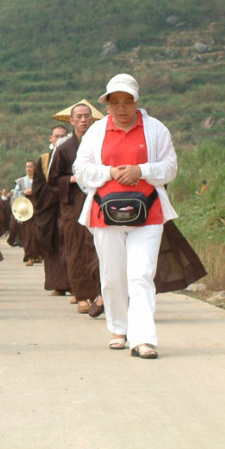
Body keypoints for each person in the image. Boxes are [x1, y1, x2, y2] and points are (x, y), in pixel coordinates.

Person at [74, 73, 178, 359]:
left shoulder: (156, 129)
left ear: (136, 102)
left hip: (148, 212)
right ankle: (119, 328)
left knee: (141, 274)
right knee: (112, 275)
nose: (121, 108)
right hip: (105, 214)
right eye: (114, 102)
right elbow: (81, 170)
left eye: (126, 101)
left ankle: (143, 338)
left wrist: (141, 170)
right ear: (107, 105)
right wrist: (111, 172)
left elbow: (170, 167)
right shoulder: (96, 132)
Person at [48, 102, 103, 316]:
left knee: (99, 249)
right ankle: (81, 295)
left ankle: (101, 293)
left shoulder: (101, 143)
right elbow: (53, 181)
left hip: (98, 201)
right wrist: (71, 178)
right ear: (71, 121)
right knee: (76, 250)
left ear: (92, 119)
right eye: (79, 116)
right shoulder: (64, 148)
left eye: (87, 116)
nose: (83, 120)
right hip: (73, 205)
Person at [31, 125, 70, 296]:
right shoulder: (44, 160)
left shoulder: (73, 155)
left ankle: (75, 284)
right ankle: (58, 284)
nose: (59, 139)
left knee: (71, 245)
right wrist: (54, 192)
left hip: (68, 206)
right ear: (50, 139)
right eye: (56, 136)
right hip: (50, 210)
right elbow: (38, 186)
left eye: (63, 136)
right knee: (53, 245)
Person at [13, 161, 40, 265]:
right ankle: (30, 256)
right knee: (28, 234)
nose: (28, 169)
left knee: (38, 233)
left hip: (37, 209)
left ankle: (38, 254)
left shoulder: (39, 180)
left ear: (35, 168)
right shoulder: (20, 181)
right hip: (26, 210)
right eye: (27, 167)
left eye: (31, 167)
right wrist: (24, 192)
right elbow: (15, 195)